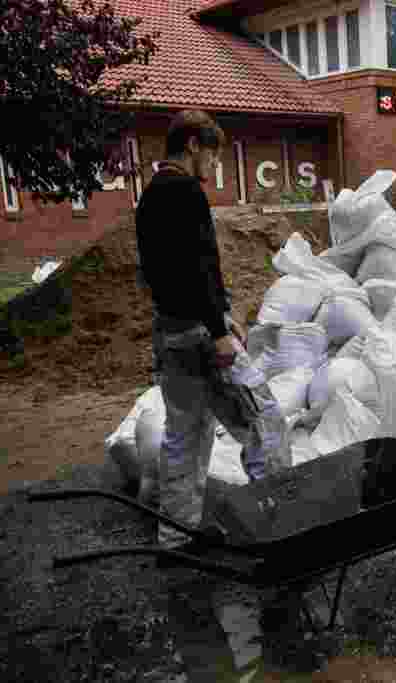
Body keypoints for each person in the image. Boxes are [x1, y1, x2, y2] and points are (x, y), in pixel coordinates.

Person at [135, 110, 285, 548]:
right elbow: (196, 267)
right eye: (214, 156)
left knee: (185, 436)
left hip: (169, 333)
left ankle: (175, 538)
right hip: (201, 340)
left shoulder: (150, 196)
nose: (214, 167)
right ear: (194, 146)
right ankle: (277, 531)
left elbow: (164, 273)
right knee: (265, 423)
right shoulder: (185, 190)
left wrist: (219, 313)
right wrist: (217, 329)